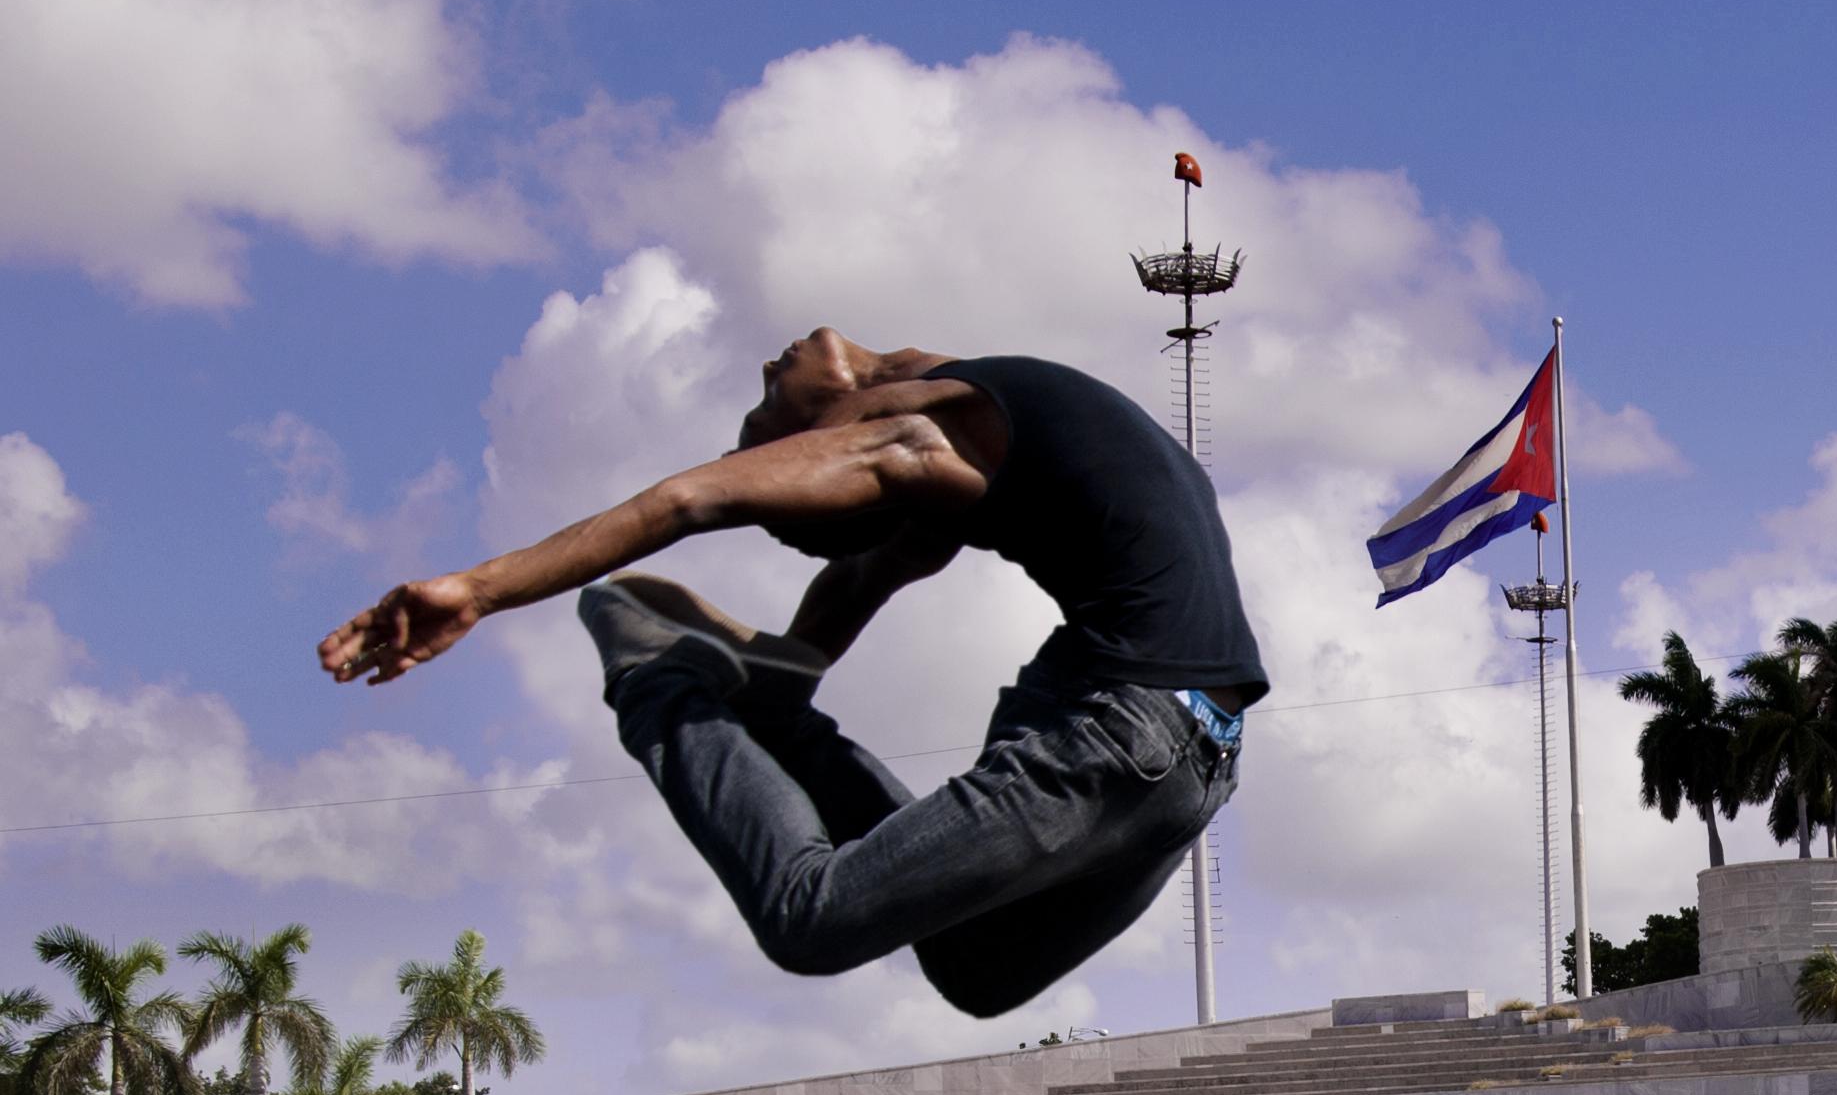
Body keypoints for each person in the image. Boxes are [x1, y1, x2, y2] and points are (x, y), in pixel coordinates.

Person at [318, 329, 1265, 1018]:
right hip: (1134, 735)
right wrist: (478, 591)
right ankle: (658, 675)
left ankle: (711, 673)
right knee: (810, 920)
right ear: (838, 446)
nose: (768, 372)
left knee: (979, 975)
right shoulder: (923, 432)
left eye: (760, 420)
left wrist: (773, 691)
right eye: (766, 424)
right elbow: (701, 504)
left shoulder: (965, 417)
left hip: (1177, 755)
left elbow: (812, 584)